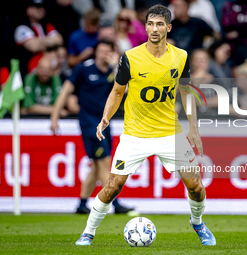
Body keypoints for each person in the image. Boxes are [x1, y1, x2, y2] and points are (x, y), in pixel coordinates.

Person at [75, 4, 216, 246]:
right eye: (150, 23)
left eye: (160, 24)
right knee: (113, 185)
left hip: (169, 133)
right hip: (135, 134)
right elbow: (117, 92)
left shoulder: (180, 56)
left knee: (196, 186)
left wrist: (193, 128)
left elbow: (186, 92)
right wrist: (105, 118)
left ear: (168, 27)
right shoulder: (130, 57)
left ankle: (197, 222)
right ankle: (88, 232)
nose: (154, 28)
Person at [50, 40, 135, 214]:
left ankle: (82, 204)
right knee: (104, 162)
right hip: (89, 123)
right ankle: (116, 204)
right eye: (101, 51)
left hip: (105, 123)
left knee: (96, 167)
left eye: (107, 51)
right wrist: (54, 116)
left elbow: (124, 90)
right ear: (95, 53)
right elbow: (65, 91)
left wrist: (114, 67)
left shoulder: (113, 72)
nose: (104, 54)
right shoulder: (83, 69)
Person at [14, 0, 63, 77]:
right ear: (28, 10)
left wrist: (39, 41)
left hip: (49, 70)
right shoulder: (22, 28)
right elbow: (34, 47)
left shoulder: (47, 26)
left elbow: (59, 40)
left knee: (61, 52)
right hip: (29, 72)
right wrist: (49, 42)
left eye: (43, 7)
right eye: (37, 7)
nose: (41, 10)